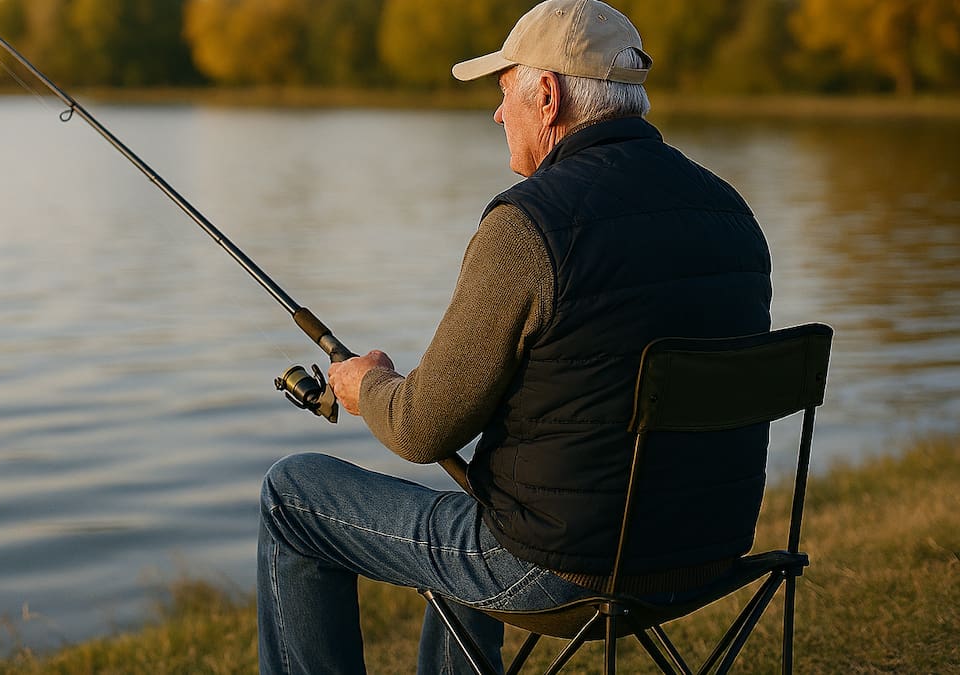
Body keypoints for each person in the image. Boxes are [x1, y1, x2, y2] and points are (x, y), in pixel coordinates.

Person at [257, 1, 773, 672]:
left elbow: (420, 430)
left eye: (505, 93)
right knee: (493, 497)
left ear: (548, 97)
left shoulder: (527, 227)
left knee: (293, 492)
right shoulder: (730, 211)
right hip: (707, 553)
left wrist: (368, 385)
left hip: (564, 570)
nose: (499, 115)